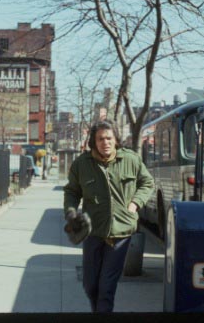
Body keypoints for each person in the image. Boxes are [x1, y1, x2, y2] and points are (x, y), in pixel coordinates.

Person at [63, 120, 154, 312]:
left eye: (109, 138)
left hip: (121, 233)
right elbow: (72, 192)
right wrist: (71, 213)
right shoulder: (82, 164)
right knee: (90, 285)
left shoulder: (131, 159)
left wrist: (134, 204)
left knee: (106, 288)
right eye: (101, 139)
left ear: (116, 140)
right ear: (94, 141)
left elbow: (147, 183)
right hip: (93, 232)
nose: (105, 142)